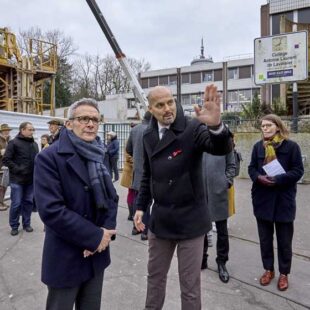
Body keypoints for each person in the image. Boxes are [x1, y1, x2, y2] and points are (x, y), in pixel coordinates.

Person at [134, 85, 232, 309]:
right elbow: (148, 174)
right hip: (161, 221)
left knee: (190, 287)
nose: (168, 109)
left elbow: (219, 148)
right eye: (160, 105)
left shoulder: (192, 126)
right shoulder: (147, 134)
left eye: (170, 102)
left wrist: (216, 126)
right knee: (155, 279)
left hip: (191, 221)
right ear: (150, 108)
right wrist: (140, 206)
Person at [34, 98, 118, 310]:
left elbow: (111, 198)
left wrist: (105, 233)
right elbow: (51, 210)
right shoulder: (49, 157)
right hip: (66, 255)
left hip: (97, 255)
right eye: (83, 119)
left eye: (94, 120)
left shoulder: (100, 153)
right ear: (69, 124)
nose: (90, 124)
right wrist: (94, 237)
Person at [248, 114, 304, 292]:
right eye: (262, 126)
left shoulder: (291, 147)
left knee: (284, 241)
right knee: (265, 239)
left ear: (278, 127)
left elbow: (298, 171)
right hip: (262, 199)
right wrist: (258, 178)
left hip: (283, 201)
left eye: (268, 125)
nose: (264, 128)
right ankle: (268, 270)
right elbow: (251, 168)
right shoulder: (258, 147)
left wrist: (278, 179)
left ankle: (284, 274)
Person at [201, 151, 236, 284]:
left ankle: (222, 262)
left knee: (222, 231)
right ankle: (202, 258)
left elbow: (231, 165)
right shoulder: (198, 137)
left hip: (219, 192)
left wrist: (226, 182)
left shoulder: (224, 140)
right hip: (200, 192)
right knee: (201, 229)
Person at [3, 122, 38, 236]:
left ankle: (26, 224)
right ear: (22, 130)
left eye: (33, 130)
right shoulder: (13, 143)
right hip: (17, 180)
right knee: (16, 203)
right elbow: (6, 160)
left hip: (30, 180)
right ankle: (14, 226)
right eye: (30, 129)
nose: (32, 132)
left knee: (28, 202)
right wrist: (19, 169)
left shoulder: (34, 144)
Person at [126, 111, 152, 240]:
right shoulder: (152, 130)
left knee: (137, 199)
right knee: (146, 202)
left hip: (137, 171)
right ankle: (145, 230)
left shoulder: (135, 129)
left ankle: (135, 228)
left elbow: (128, 149)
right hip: (149, 172)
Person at [0, 123, 12, 211]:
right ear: (2, 131)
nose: (7, 132)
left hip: (7, 166)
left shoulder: (9, 139)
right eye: (5, 130)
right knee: (1, 185)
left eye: (8, 130)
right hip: (0, 166)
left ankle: (2, 201)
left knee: (4, 185)